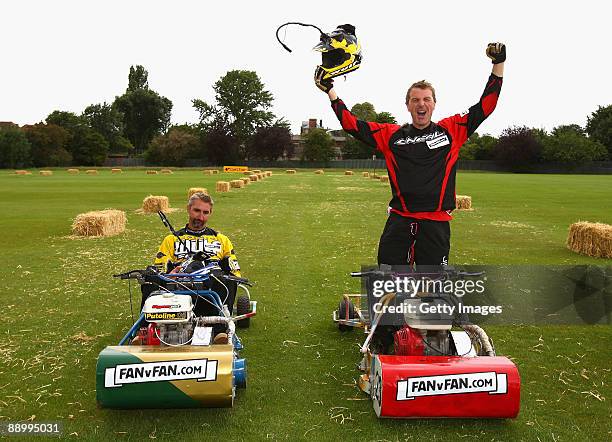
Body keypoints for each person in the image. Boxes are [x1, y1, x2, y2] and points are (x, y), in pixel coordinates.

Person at [315, 43, 506, 267]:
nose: (421, 104)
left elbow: (487, 105)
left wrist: (498, 63)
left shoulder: (452, 129)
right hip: (399, 222)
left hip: (436, 225)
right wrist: (331, 91)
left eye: (426, 99)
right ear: (407, 105)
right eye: (415, 100)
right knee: (388, 286)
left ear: (434, 104)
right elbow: (351, 124)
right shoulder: (391, 135)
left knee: (432, 292)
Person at [142, 192, 241, 317]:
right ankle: (144, 329)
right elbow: (159, 269)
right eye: (197, 211)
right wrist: (169, 275)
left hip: (211, 288)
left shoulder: (222, 239)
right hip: (178, 288)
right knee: (149, 277)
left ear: (210, 213)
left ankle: (220, 330)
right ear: (188, 209)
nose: (200, 217)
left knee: (227, 280)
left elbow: (234, 271)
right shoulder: (171, 239)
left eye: (205, 213)